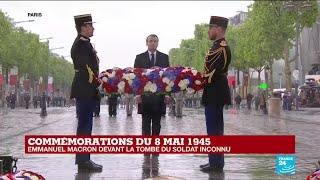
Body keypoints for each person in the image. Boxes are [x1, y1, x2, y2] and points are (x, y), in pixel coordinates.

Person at [70, 13, 103, 172]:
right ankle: (83, 161)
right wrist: (98, 82)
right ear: (83, 27)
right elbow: (86, 70)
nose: (93, 28)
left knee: (86, 125)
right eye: (90, 25)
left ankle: (85, 159)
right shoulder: (81, 45)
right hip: (84, 88)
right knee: (84, 125)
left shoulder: (85, 43)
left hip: (86, 88)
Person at [200, 16, 231, 172]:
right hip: (214, 90)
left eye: (210, 28)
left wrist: (196, 80)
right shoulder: (216, 46)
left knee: (214, 129)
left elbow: (213, 71)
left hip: (216, 91)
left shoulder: (221, 47)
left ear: (218, 28)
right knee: (214, 129)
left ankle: (216, 163)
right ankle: (215, 161)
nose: (208, 31)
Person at [134, 34, 170, 136]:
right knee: (145, 123)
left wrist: (167, 94)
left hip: (159, 95)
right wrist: (137, 94)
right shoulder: (139, 57)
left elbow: (167, 77)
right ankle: (146, 146)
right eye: (150, 41)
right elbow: (136, 77)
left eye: (155, 41)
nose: (152, 43)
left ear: (158, 43)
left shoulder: (164, 57)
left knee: (157, 123)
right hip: (145, 95)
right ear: (146, 43)